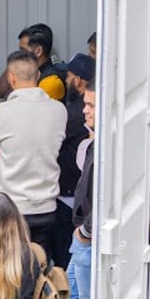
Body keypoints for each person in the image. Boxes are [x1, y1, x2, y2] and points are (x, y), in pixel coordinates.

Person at [0, 51, 66, 263]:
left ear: (11, 78)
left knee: (9, 269)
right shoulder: (59, 110)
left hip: (11, 208)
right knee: (39, 267)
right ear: (38, 76)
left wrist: (5, 153)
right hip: (46, 207)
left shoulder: (0, 113)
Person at [50, 81, 97, 299]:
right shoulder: (94, 144)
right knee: (74, 296)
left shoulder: (108, 150)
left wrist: (85, 232)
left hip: (86, 237)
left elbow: (106, 196)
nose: (85, 110)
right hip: (79, 236)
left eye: (92, 105)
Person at [52, 53, 95, 270]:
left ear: (78, 80)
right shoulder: (91, 114)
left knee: (65, 262)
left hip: (68, 198)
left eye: (68, 75)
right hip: (84, 200)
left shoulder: (71, 114)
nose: (66, 79)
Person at [0, 24, 65, 102]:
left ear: (38, 51)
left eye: (23, 50)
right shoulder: (25, 70)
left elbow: (28, 109)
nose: (20, 54)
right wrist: (14, 64)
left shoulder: (51, 81)